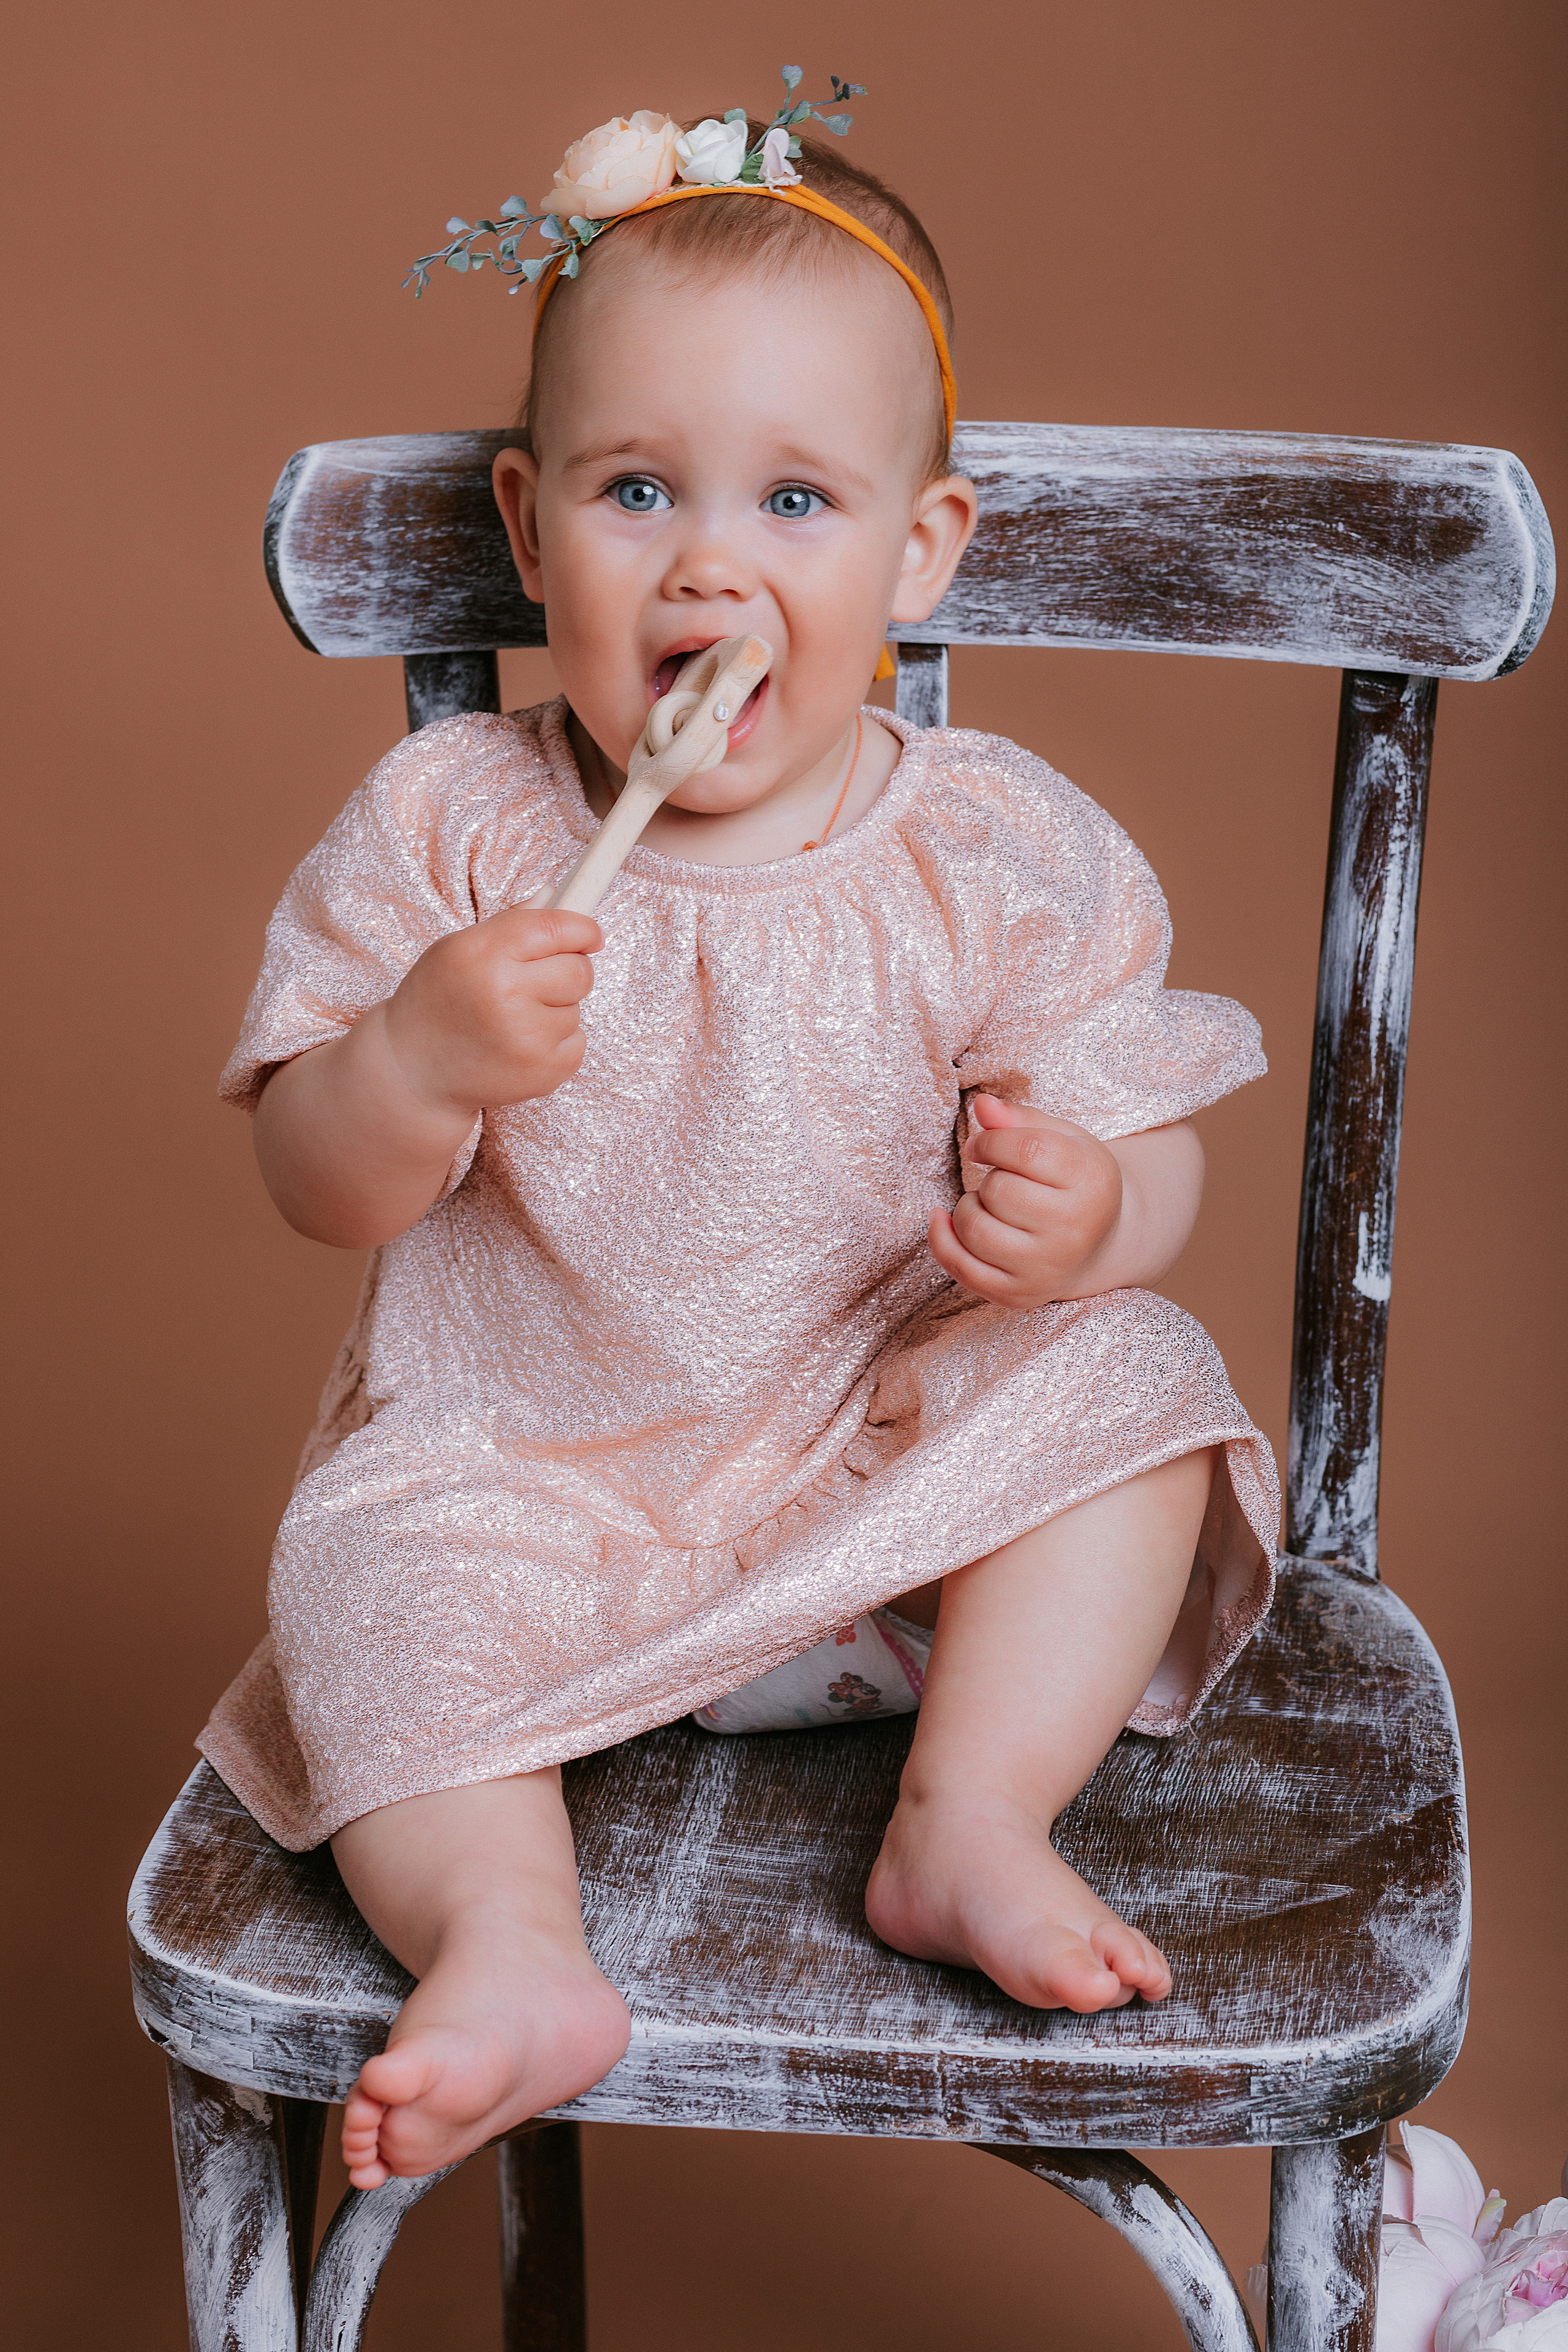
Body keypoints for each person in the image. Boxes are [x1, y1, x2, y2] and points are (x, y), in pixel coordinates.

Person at [200, 86, 1280, 2195]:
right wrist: (414, 1061)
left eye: (797, 499)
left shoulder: (993, 848)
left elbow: (1155, 1162)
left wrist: (1094, 1217)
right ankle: (513, 1942)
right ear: (528, 534)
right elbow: (313, 1180)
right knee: (356, 1561)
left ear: (918, 548)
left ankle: (966, 1816)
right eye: (634, 491)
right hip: (534, 1495)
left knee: (1141, 1382)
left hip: (891, 1512)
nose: (710, 560)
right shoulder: (457, 832)